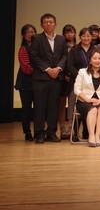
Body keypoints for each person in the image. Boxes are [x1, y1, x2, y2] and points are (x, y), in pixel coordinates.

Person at [29, 13, 68, 143]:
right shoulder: (37, 38)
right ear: (41, 25)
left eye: (51, 22)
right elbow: (34, 56)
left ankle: (51, 133)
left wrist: (58, 68)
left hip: (56, 77)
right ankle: (39, 134)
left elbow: (65, 56)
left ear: (55, 24)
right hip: (41, 78)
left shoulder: (61, 39)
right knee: (40, 106)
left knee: (53, 106)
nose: (48, 24)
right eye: (46, 22)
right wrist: (47, 69)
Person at [73, 49, 100, 147]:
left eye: (99, 58)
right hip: (84, 101)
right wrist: (88, 100)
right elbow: (76, 89)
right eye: (94, 58)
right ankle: (91, 135)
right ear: (90, 60)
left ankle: (97, 135)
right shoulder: (82, 72)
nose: (97, 60)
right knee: (93, 109)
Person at [66, 27, 94, 141]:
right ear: (80, 37)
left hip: (92, 84)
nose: (86, 38)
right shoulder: (74, 50)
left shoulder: (95, 50)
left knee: (88, 107)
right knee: (74, 108)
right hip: (76, 83)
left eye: (88, 36)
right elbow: (70, 66)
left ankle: (86, 132)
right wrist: (81, 76)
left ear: (91, 37)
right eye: (83, 36)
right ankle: (75, 133)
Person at [15, 24, 37, 141]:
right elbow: (25, 68)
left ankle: (38, 131)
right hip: (26, 83)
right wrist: (40, 71)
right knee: (26, 108)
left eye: (32, 32)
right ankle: (27, 132)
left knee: (39, 108)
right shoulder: (23, 49)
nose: (30, 34)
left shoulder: (38, 46)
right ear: (23, 35)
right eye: (27, 32)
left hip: (38, 82)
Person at [58, 24, 77, 139]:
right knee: (61, 103)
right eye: (67, 32)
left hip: (74, 78)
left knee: (72, 103)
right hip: (61, 77)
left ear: (75, 33)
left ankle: (70, 126)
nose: (69, 34)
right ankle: (62, 127)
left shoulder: (78, 47)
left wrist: (71, 74)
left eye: (71, 32)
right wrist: (64, 74)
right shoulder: (60, 46)